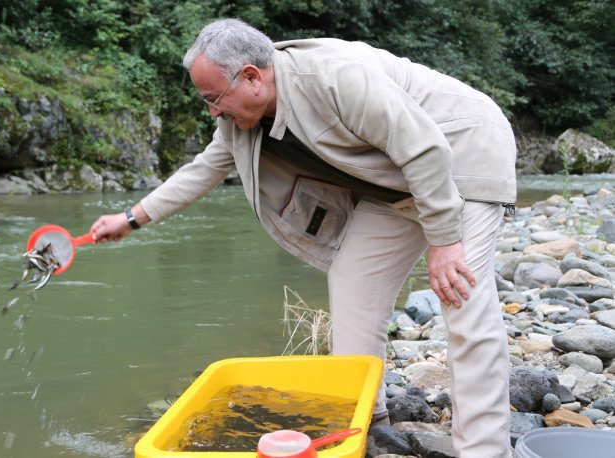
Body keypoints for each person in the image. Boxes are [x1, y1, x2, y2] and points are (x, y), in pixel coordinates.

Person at [90, 18, 515, 458]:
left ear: (252, 77)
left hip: (463, 154)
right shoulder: (240, 122)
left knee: (461, 298)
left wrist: (444, 241)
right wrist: (131, 218)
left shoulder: (333, 77)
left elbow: (424, 148)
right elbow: (204, 169)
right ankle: (365, 423)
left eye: (214, 99)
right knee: (353, 280)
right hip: (395, 183)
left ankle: (485, 450)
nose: (213, 111)